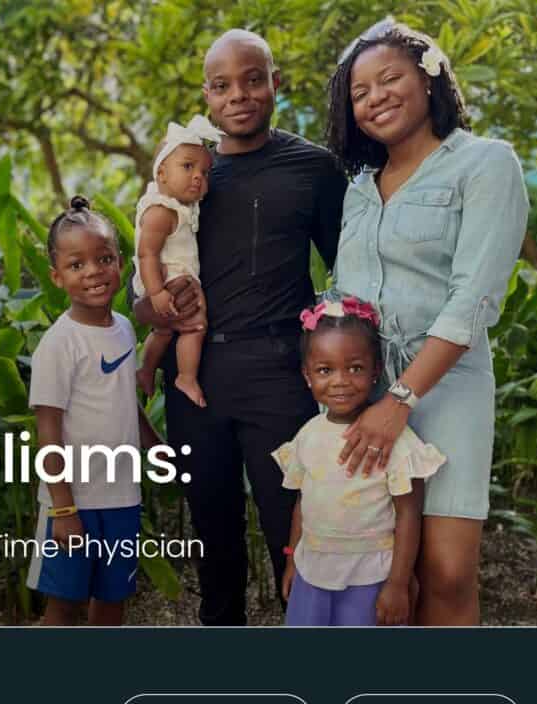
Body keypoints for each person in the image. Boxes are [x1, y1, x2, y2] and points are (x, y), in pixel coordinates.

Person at [132, 30, 348, 625]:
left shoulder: (314, 168)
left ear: (275, 82)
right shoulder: (185, 176)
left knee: (294, 527)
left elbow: (348, 276)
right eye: (222, 85)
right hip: (196, 376)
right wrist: (158, 310)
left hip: (282, 372)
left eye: (254, 79)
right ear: (206, 96)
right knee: (212, 531)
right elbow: (142, 293)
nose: (240, 96)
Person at [325, 22, 529, 625]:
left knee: (445, 570)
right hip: (362, 390)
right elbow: (345, 292)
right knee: (384, 568)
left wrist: (403, 399)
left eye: (390, 79)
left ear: (429, 77)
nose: (376, 98)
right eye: (360, 93)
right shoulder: (359, 190)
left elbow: (473, 299)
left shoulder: (486, 164)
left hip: (446, 386)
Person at [28, 196, 162, 626]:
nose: (93, 273)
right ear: (57, 276)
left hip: (121, 497)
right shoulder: (58, 343)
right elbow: (47, 432)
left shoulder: (123, 328)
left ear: (120, 262)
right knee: (64, 603)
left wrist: (157, 450)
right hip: (73, 502)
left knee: (112, 600)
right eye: (77, 265)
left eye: (103, 259)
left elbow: (125, 401)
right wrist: (63, 510)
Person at [272, 297, 445, 626]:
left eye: (355, 368)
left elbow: (408, 513)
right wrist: (292, 559)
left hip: (370, 577)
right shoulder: (308, 435)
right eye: (325, 370)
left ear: (375, 370)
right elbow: (301, 502)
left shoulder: (393, 440)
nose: (340, 381)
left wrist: (397, 583)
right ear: (307, 375)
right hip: (312, 571)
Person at [134, 115, 220, 408]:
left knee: (164, 330)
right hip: (169, 280)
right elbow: (147, 254)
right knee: (194, 325)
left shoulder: (180, 208)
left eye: (205, 172)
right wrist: (156, 292)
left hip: (169, 280)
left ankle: (145, 370)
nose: (198, 176)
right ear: (161, 174)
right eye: (187, 167)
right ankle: (186, 376)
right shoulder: (161, 211)